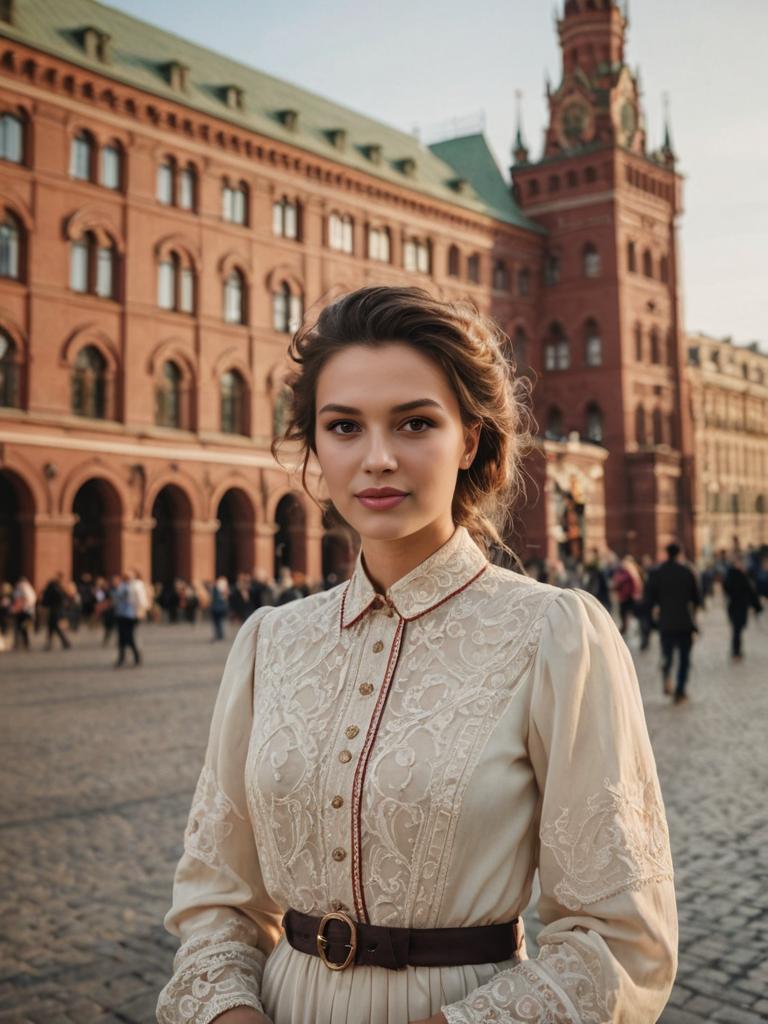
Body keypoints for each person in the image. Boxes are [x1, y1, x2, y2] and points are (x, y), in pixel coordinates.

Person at [157, 286, 677, 1024]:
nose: (376, 459)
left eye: (414, 423)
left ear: (469, 439)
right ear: (314, 444)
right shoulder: (268, 643)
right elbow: (216, 899)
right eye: (344, 426)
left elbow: (622, 938)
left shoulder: (556, 636)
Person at [644, 543, 702, 705]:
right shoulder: (688, 571)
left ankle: (667, 675)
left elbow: (648, 601)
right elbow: (697, 599)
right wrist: (695, 617)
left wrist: (652, 622)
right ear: (679, 554)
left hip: (666, 623)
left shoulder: (656, 573)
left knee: (667, 654)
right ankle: (680, 690)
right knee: (684, 659)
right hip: (685, 622)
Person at [722, 556, 762, 660]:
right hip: (737, 606)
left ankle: (736, 650)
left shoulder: (734, 575)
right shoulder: (738, 576)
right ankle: (736, 651)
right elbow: (749, 591)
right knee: (737, 630)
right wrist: (757, 606)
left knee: (737, 629)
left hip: (736, 606)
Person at [114, 570, 142, 667]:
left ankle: (137, 657)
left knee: (130, 638)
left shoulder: (135, 586)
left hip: (131, 615)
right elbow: (117, 599)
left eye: (128, 576)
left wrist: (139, 612)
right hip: (121, 614)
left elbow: (140, 600)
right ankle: (121, 658)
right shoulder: (121, 586)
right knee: (121, 638)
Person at [40, 572, 72, 650]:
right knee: (52, 626)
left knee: (54, 626)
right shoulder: (57, 586)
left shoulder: (55, 586)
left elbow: (48, 597)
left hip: (55, 609)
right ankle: (61, 643)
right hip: (56, 608)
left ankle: (64, 642)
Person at [11, 576, 36, 650]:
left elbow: (19, 600)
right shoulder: (29, 588)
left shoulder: (20, 588)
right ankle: (25, 643)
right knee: (23, 628)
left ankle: (17, 644)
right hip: (29, 611)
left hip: (22, 611)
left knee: (18, 628)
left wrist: (15, 609)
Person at [210, 576, 230, 642]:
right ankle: (219, 635)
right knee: (218, 623)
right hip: (218, 608)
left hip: (218, 609)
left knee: (219, 623)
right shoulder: (221, 590)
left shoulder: (217, 590)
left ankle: (219, 635)